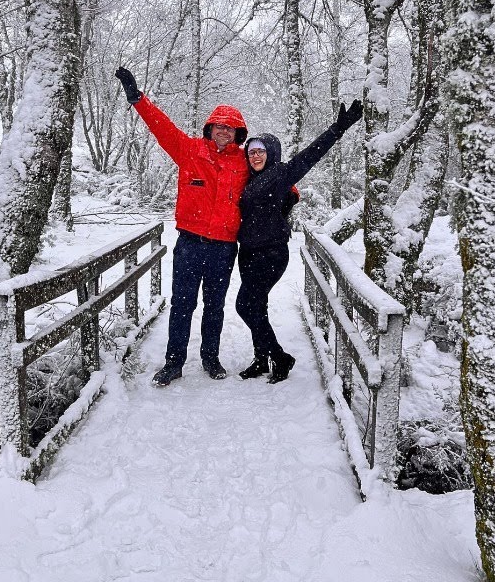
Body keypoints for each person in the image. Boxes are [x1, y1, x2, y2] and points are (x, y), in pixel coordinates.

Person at [115, 66, 249, 386]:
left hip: (224, 247)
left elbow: (276, 178)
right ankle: (174, 362)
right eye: (218, 127)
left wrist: (290, 196)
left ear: (238, 133)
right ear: (210, 128)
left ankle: (210, 358)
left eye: (230, 129)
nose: (223, 132)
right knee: (182, 303)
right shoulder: (189, 151)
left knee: (214, 305)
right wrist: (138, 99)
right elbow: (162, 127)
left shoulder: (244, 162)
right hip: (189, 243)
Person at [235, 101, 363, 383]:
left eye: (261, 151)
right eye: (252, 152)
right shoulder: (247, 180)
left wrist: (338, 128)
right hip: (248, 253)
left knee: (245, 305)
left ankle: (280, 357)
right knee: (258, 306)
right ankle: (262, 358)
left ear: (272, 154)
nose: (255, 156)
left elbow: (310, 156)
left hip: (271, 253)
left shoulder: (280, 175)